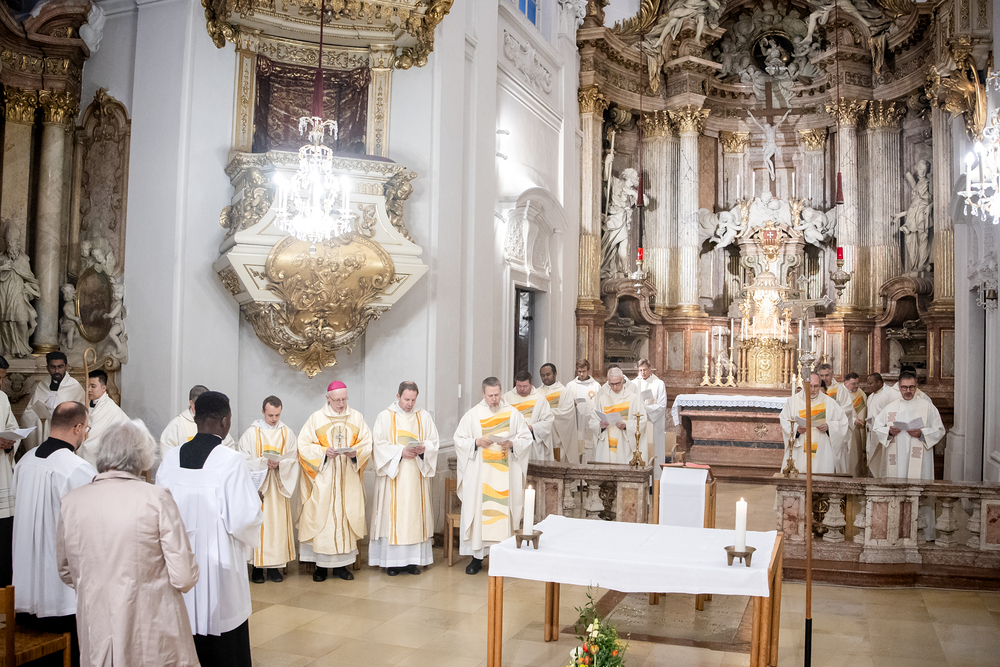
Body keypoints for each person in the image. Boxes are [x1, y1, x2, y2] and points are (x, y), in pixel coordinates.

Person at [58, 420, 200, 667]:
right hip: (151, 626)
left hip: (97, 624)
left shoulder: (72, 501)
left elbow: (65, 570)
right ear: (142, 456)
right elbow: (184, 576)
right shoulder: (156, 498)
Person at [156, 391, 261, 667]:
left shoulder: (171, 459)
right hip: (218, 568)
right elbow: (243, 520)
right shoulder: (230, 461)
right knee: (223, 643)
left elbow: (157, 510)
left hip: (178, 565)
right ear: (225, 422)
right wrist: (255, 502)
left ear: (195, 417)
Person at [12, 401, 96, 666]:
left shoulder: (25, 461)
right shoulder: (77, 468)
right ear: (78, 427)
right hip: (60, 594)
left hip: (23, 588)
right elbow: (89, 526)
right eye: (86, 429)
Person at [453, 377, 532, 575]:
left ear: (501, 392)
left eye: (497, 394)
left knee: (503, 516)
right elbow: (459, 439)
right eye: (490, 395)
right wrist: (476, 442)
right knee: (481, 515)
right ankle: (477, 559)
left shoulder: (513, 414)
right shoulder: (473, 415)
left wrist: (512, 444)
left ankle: (504, 558)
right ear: (483, 394)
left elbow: (525, 438)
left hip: (505, 475)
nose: (494, 399)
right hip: (481, 477)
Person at [297, 381, 372, 582]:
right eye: (337, 400)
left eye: (344, 399)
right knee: (323, 520)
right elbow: (302, 446)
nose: (341, 404)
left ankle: (342, 566)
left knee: (345, 518)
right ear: (328, 398)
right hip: (324, 480)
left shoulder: (356, 417)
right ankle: (320, 568)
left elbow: (367, 443)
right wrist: (323, 452)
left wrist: (355, 453)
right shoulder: (316, 418)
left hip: (348, 479)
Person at [369, 381, 440, 575]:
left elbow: (434, 442)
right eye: (406, 399)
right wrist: (400, 452)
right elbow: (378, 445)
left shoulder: (423, 416)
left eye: (413, 400)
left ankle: (412, 562)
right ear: (398, 396)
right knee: (393, 518)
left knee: (414, 517)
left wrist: (424, 449)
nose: (410, 404)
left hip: (416, 476)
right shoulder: (385, 416)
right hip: (394, 476)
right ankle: (392, 563)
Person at [872, 371, 946, 541]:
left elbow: (939, 429)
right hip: (896, 461)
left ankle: (924, 533)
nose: (908, 391)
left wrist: (922, 433)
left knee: (920, 492)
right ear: (899, 387)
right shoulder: (890, 408)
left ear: (916, 386)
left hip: (920, 461)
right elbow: (877, 428)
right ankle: (895, 531)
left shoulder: (927, 407)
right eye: (904, 387)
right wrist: (889, 431)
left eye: (911, 387)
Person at [237, 396, 298, 584]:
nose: (274, 419)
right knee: (259, 524)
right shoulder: (251, 433)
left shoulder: (287, 433)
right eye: (270, 415)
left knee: (276, 526)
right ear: (263, 411)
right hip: (258, 487)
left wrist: (280, 464)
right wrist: (263, 463)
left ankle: (274, 568)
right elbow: (242, 459)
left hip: (278, 487)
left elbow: (293, 459)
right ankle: (256, 569)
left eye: (277, 415)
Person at [778, 373, 849, 474]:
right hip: (800, 449)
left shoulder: (829, 402)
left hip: (822, 450)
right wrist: (796, 430)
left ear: (820, 385)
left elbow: (843, 422)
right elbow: (784, 420)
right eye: (810, 386)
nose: (813, 389)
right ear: (803, 384)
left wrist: (829, 426)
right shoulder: (793, 401)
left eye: (816, 386)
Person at [21, 352, 86, 451]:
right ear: (47, 368)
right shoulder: (42, 385)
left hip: (64, 434)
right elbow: (28, 412)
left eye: (60, 367)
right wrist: (41, 418)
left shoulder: (74, 386)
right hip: (44, 432)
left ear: (66, 366)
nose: (57, 371)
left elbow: (82, 413)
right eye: (53, 367)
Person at [160, 385, 236, 461]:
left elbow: (229, 451)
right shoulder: (177, 425)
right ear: (191, 403)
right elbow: (167, 456)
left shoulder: (216, 422)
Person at [589, 367, 647, 465]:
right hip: (606, 447)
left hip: (624, 447)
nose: (615, 387)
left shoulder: (633, 398)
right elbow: (592, 421)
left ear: (623, 380)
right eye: (612, 384)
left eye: (618, 383)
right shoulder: (602, 399)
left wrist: (626, 425)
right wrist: (600, 425)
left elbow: (642, 421)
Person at [79, 369, 129, 468]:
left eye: (93, 386)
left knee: (89, 447)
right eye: (87, 386)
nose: (89, 390)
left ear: (103, 388)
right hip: (87, 443)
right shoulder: (85, 404)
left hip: (103, 449)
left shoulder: (111, 409)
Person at [502, 371, 555, 462]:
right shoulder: (506, 398)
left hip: (531, 443)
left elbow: (548, 422)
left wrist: (532, 427)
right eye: (519, 386)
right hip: (512, 442)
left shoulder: (540, 399)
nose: (522, 389)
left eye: (525, 386)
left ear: (531, 384)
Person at [0, 355, 20, 587]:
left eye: (3, 378)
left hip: (2, 474)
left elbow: (12, 427)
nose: (1, 383)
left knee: (4, 533)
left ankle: (4, 589)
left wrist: (10, 443)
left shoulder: (3, 398)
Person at [562, 360, 601, 463]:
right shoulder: (570, 386)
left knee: (588, 453)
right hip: (575, 424)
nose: (581, 374)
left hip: (589, 425)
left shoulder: (595, 386)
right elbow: (564, 405)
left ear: (588, 371)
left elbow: (599, 406)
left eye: (584, 371)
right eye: (579, 372)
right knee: (574, 453)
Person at [831, 372, 867, 476]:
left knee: (856, 455)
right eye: (853, 384)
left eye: (857, 383)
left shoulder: (861, 393)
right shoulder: (838, 392)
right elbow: (837, 412)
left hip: (856, 430)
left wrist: (862, 420)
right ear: (846, 383)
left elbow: (864, 411)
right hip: (843, 429)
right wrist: (853, 420)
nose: (856, 386)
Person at [635, 359, 668, 475]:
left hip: (654, 424)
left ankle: (656, 480)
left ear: (650, 369)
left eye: (645, 370)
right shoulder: (634, 384)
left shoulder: (659, 383)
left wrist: (646, 409)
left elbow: (662, 405)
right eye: (640, 370)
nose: (642, 373)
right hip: (639, 424)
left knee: (655, 450)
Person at [537, 363, 574, 462]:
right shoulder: (537, 393)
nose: (545, 377)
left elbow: (567, 413)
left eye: (548, 374)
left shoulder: (564, 392)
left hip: (557, 435)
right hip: (542, 436)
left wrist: (546, 414)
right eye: (542, 375)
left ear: (555, 374)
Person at [865, 372, 898, 477]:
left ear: (879, 382)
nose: (868, 386)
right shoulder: (870, 396)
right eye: (868, 383)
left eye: (871, 383)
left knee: (881, 459)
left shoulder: (888, 394)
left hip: (884, 433)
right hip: (872, 432)